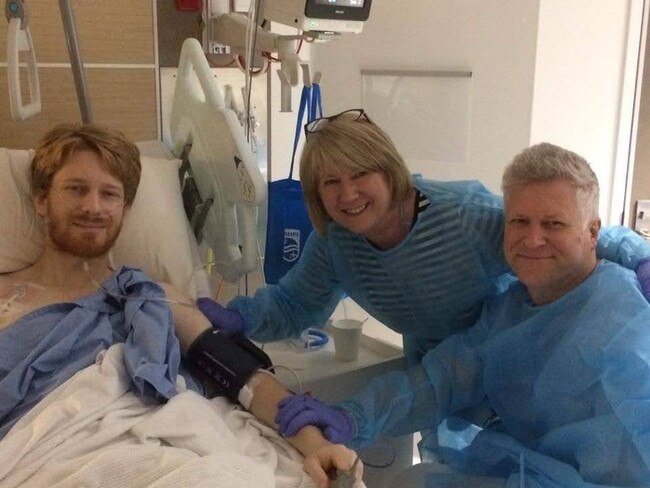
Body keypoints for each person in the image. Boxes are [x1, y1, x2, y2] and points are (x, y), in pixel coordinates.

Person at [0, 123, 359, 488]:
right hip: (45, 453)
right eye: (76, 189)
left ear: (124, 208)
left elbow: (241, 375)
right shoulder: (6, 297)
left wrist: (314, 443)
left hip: (164, 448)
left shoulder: (146, 294)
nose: (93, 206)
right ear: (41, 199)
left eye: (109, 194)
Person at [274, 142, 650, 486]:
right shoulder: (509, 314)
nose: (533, 239)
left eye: (554, 224)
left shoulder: (626, 316)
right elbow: (438, 381)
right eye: (520, 222)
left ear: (592, 232)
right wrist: (348, 416)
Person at [199, 108, 650, 369]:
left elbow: (562, 234)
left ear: (389, 169)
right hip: (433, 371)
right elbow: (295, 305)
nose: (348, 194)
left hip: (510, 356)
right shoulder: (337, 243)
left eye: (361, 175)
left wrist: (640, 258)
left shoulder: (462, 216)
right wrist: (237, 318)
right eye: (330, 183)